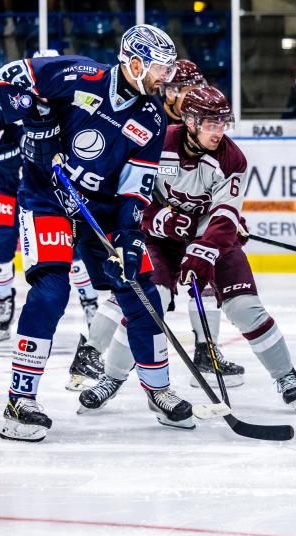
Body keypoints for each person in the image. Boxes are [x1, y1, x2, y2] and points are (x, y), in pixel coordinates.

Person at [0, 24, 194, 442]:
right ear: (135, 63)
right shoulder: (79, 75)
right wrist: (37, 117)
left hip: (99, 210)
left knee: (141, 290)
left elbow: (136, 185)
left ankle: (158, 390)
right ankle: (21, 399)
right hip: (47, 198)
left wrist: (127, 234)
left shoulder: (151, 117)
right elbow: (10, 76)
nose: (167, 78)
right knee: (51, 291)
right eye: (161, 68)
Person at [78, 86, 296, 415]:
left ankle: (285, 374)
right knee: (149, 301)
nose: (219, 132)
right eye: (211, 124)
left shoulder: (232, 158)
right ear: (190, 121)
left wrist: (202, 252)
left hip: (209, 240)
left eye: (222, 124)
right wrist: (160, 218)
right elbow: (130, 194)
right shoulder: (159, 142)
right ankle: (112, 377)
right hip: (159, 241)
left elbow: (225, 216)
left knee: (245, 308)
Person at [71, 58, 219, 392]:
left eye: (196, 87)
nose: (194, 94)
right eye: (186, 89)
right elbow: (141, 178)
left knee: (203, 277)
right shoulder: (150, 115)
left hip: (166, 220)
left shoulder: (196, 121)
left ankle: (205, 349)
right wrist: (162, 209)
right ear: (169, 91)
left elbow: (200, 177)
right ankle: (90, 353)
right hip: (138, 217)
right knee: (133, 284)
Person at [0, 50, 100, 346]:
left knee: (70, 248)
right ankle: (3, 301)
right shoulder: (7, 102)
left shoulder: (72, 103)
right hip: (8, 184)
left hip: (49, 187)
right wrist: (5, 149)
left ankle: (89, 301)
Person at [163, 59, 206, 124]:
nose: (197, 99)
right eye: (190, 93)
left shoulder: (205, 119)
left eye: (199, 92)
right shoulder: (153, 120)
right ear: (170, 93)